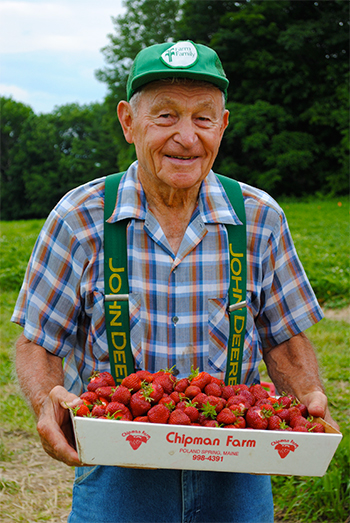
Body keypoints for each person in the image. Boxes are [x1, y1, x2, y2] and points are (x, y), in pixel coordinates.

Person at [12, 40, 337, 523]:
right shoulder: (80, 218)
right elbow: (38, 340)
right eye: (165, 116)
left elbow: (285, 338)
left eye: (203, 118)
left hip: (237, 463)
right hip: (118, 458)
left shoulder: (260, 217)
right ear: (128, 122)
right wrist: (45, 401)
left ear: (222, 126)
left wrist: (305, 400)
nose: (187, 137)